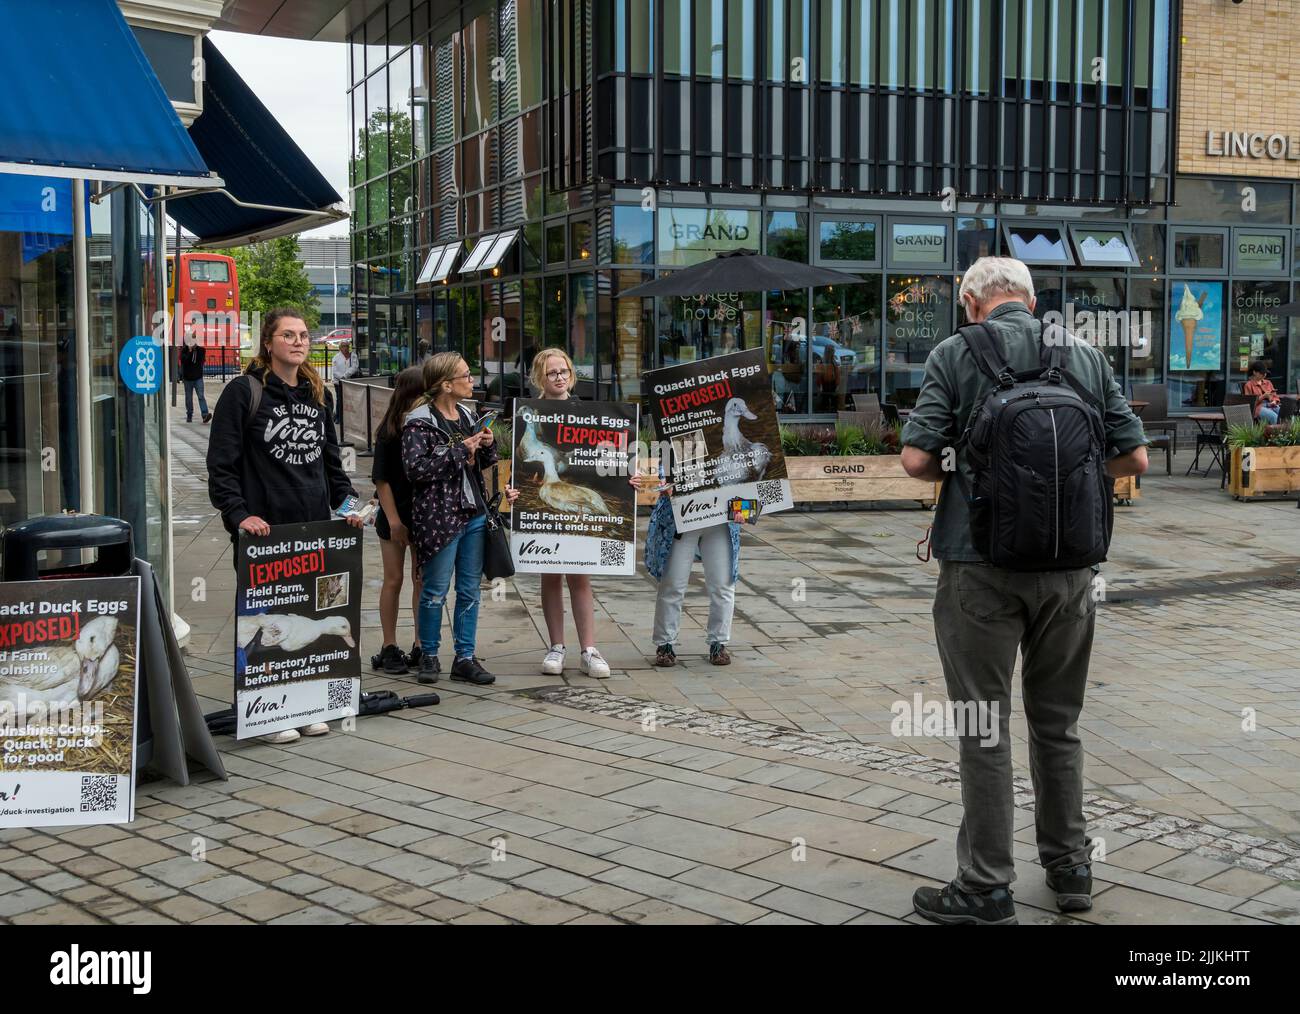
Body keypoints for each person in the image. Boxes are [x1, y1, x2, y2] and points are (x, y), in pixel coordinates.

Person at [899, 257, 1148, 925]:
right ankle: (1070, 868)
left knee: (984, 728)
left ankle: (985, 885)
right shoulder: (1085, 355)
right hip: (1071, 571)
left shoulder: (956, 352)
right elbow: (1135, 457)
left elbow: (921, 460)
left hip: (980, 567)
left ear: (973, 303)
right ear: (1032, 302)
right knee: (1058, 723)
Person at [207, 308, 366, 745]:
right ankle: (270, 712)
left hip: (315, 534)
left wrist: (350, 507)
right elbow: (221, 466)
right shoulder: (244, 392)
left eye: (303, 336)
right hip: (266, 537)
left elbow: (333, 467)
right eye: (288, 335)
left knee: (311, 621)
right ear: (268, 343)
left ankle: (307, 704)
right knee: (268, 623)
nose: (298, 342)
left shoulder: (319, 395)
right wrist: (239, 514)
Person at [402, 352, 517, 686]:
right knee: (435, 589)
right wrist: (458, 450)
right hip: (439, 517)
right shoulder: (419, 421)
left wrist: (487, 444)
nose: (472, 380)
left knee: (469, 590)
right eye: (466, 375)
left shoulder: (468, 414)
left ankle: (465, 657)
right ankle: (430, 655)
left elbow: (482, 463)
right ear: (446, 384)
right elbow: (415, 470)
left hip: (473, 511)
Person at [506, 348, 613, 679]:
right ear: (540, 377)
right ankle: (556, 646)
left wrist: (628, 476)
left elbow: (606, 457)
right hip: (549, 503)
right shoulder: (532, 414)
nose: (560, 377)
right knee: (549, 575)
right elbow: (520, 463)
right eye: (552, 372)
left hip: (576, 491)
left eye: (564, 370)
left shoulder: (587, 412)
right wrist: (512, 491)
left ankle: (589, 650)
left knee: (580, 575)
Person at [633, 447, 742, 668]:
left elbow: (740, 474)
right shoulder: (679, 428)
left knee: (723, 584)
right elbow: (666, 459)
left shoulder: (726, 442)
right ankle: (665, 643)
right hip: (681, 516)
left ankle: (719, 643)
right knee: (672, 582)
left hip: (720, 519)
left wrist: (743, 506)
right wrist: (666, 483)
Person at [370, 367, 426, 675]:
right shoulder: (390, 430)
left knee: (421, 581)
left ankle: (420, 642)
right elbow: (382, 480)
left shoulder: (425, 425)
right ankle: (389, 645)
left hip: (423, 516)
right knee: (394, 579)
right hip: (395, 514)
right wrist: (393, 521)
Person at [179, 334, 211, 423]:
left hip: (198, 377)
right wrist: (189, 351)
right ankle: (189, 414)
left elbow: (200, 361)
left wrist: (194, 351)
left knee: (201, 396)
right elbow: (184, 361)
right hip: (188, 378)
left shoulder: (201, 350)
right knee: (188, 398)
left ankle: (205, 415)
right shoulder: (184, 351)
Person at [1244, 360, 1282, 425]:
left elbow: (1275, 396)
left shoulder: (1268, 383)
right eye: (1262, 373)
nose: (1264, 375)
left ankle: (1287, 433)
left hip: (1271, 405)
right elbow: (1249, 403)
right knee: (1274, 417)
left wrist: (1274, 401)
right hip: (1258, 408)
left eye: (1265, 373)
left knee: (1284, 415)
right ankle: (1277, 434)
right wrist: (1263, 396)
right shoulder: (1248, 385)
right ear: (1254, 372)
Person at [331, 339, 359, 423]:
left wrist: (345, 376)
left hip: (350, 381)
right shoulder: (336, 357)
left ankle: (351, 418)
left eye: (347, 346)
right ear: (340, 348)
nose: (345, 348)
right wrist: (342, 378)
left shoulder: (353, 355)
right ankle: (339, 417)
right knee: (340, 400)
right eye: (343, 346)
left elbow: (355, 367)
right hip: (338, 383)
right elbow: (335, 372)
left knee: (351, 400)